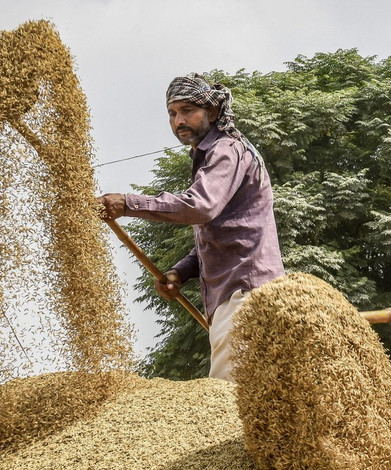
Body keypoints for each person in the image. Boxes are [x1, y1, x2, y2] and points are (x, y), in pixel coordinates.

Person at [98, 73, 284, 381]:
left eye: (187, 110)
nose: (178, 120)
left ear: (211, 112)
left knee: (226, 402)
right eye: (172, 113)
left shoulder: (226, 150)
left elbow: (200, 206)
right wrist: (181, 272)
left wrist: (128, 203)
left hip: (246, 294)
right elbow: (228, 230)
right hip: (240, 293)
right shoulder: (215, 154)